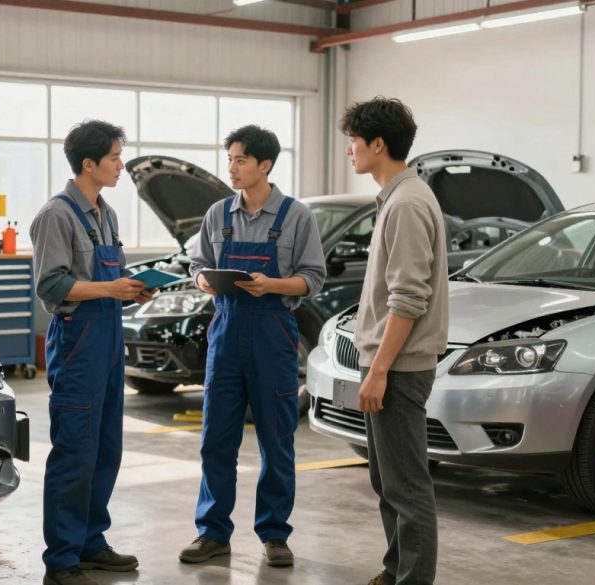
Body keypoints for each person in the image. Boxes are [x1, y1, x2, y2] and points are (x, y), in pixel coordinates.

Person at [180, 124, 326, 568]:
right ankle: (212, 533)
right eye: (229, 159)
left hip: (272, 334)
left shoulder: (296, 216)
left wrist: (272, 285)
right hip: (225, 334)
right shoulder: (218, 214)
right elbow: (197, 264)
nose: (232, 168)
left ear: (265, 165)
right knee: (216, 440)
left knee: (277, 440)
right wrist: (203, 280)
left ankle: (275, 534)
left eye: (240, 160)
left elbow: (313, 278)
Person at [29, 119, 155, 585]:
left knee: (105, 447)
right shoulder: (56, 215)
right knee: (75, 451)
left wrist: (132, 291)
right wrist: (110, 288)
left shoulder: (107, 214)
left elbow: (107, 280)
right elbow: (52, 286)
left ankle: (90, 541)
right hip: (78, 341)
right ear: (88, 163)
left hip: (109, 338)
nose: (121, 165)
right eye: (115, 158)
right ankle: (62, 559)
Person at [339, 97, 449, 585]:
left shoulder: (406, 204)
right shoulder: (398, 198)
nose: (350, 151)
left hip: (399, 367)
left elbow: (408, 298)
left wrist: (380, 369)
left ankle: (413, 579)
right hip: (389, 363)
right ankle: (395, 569)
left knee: (406, 484)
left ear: (378, 144)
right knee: (388, 480)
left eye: (354, 142)